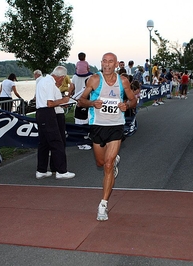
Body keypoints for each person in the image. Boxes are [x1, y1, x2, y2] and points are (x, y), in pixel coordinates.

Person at [77, 52, 137, 221]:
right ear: (101, 62)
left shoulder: (123, 81)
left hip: (116, 126)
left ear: (116, 64)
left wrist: (127, 105)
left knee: (108, 165)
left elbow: (133, 100)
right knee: (101, 162)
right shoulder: (95, 80)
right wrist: (91, 103)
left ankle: (103, 204)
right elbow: (81, 101)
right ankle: (113, 160)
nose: (107, 64)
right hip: (97, 126)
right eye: (105, 61)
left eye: (111, 62)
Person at [35, 66, 75, 180]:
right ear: (60, 77)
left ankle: (41, 169)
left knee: (44, 143)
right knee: (57, 141)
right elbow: (50, 103)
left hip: (41, 113)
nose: (62, 81)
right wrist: (64, 100)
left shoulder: (42, 80)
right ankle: (61, 171)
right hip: (47, 113)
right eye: (62, 79)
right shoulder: (49, 83)